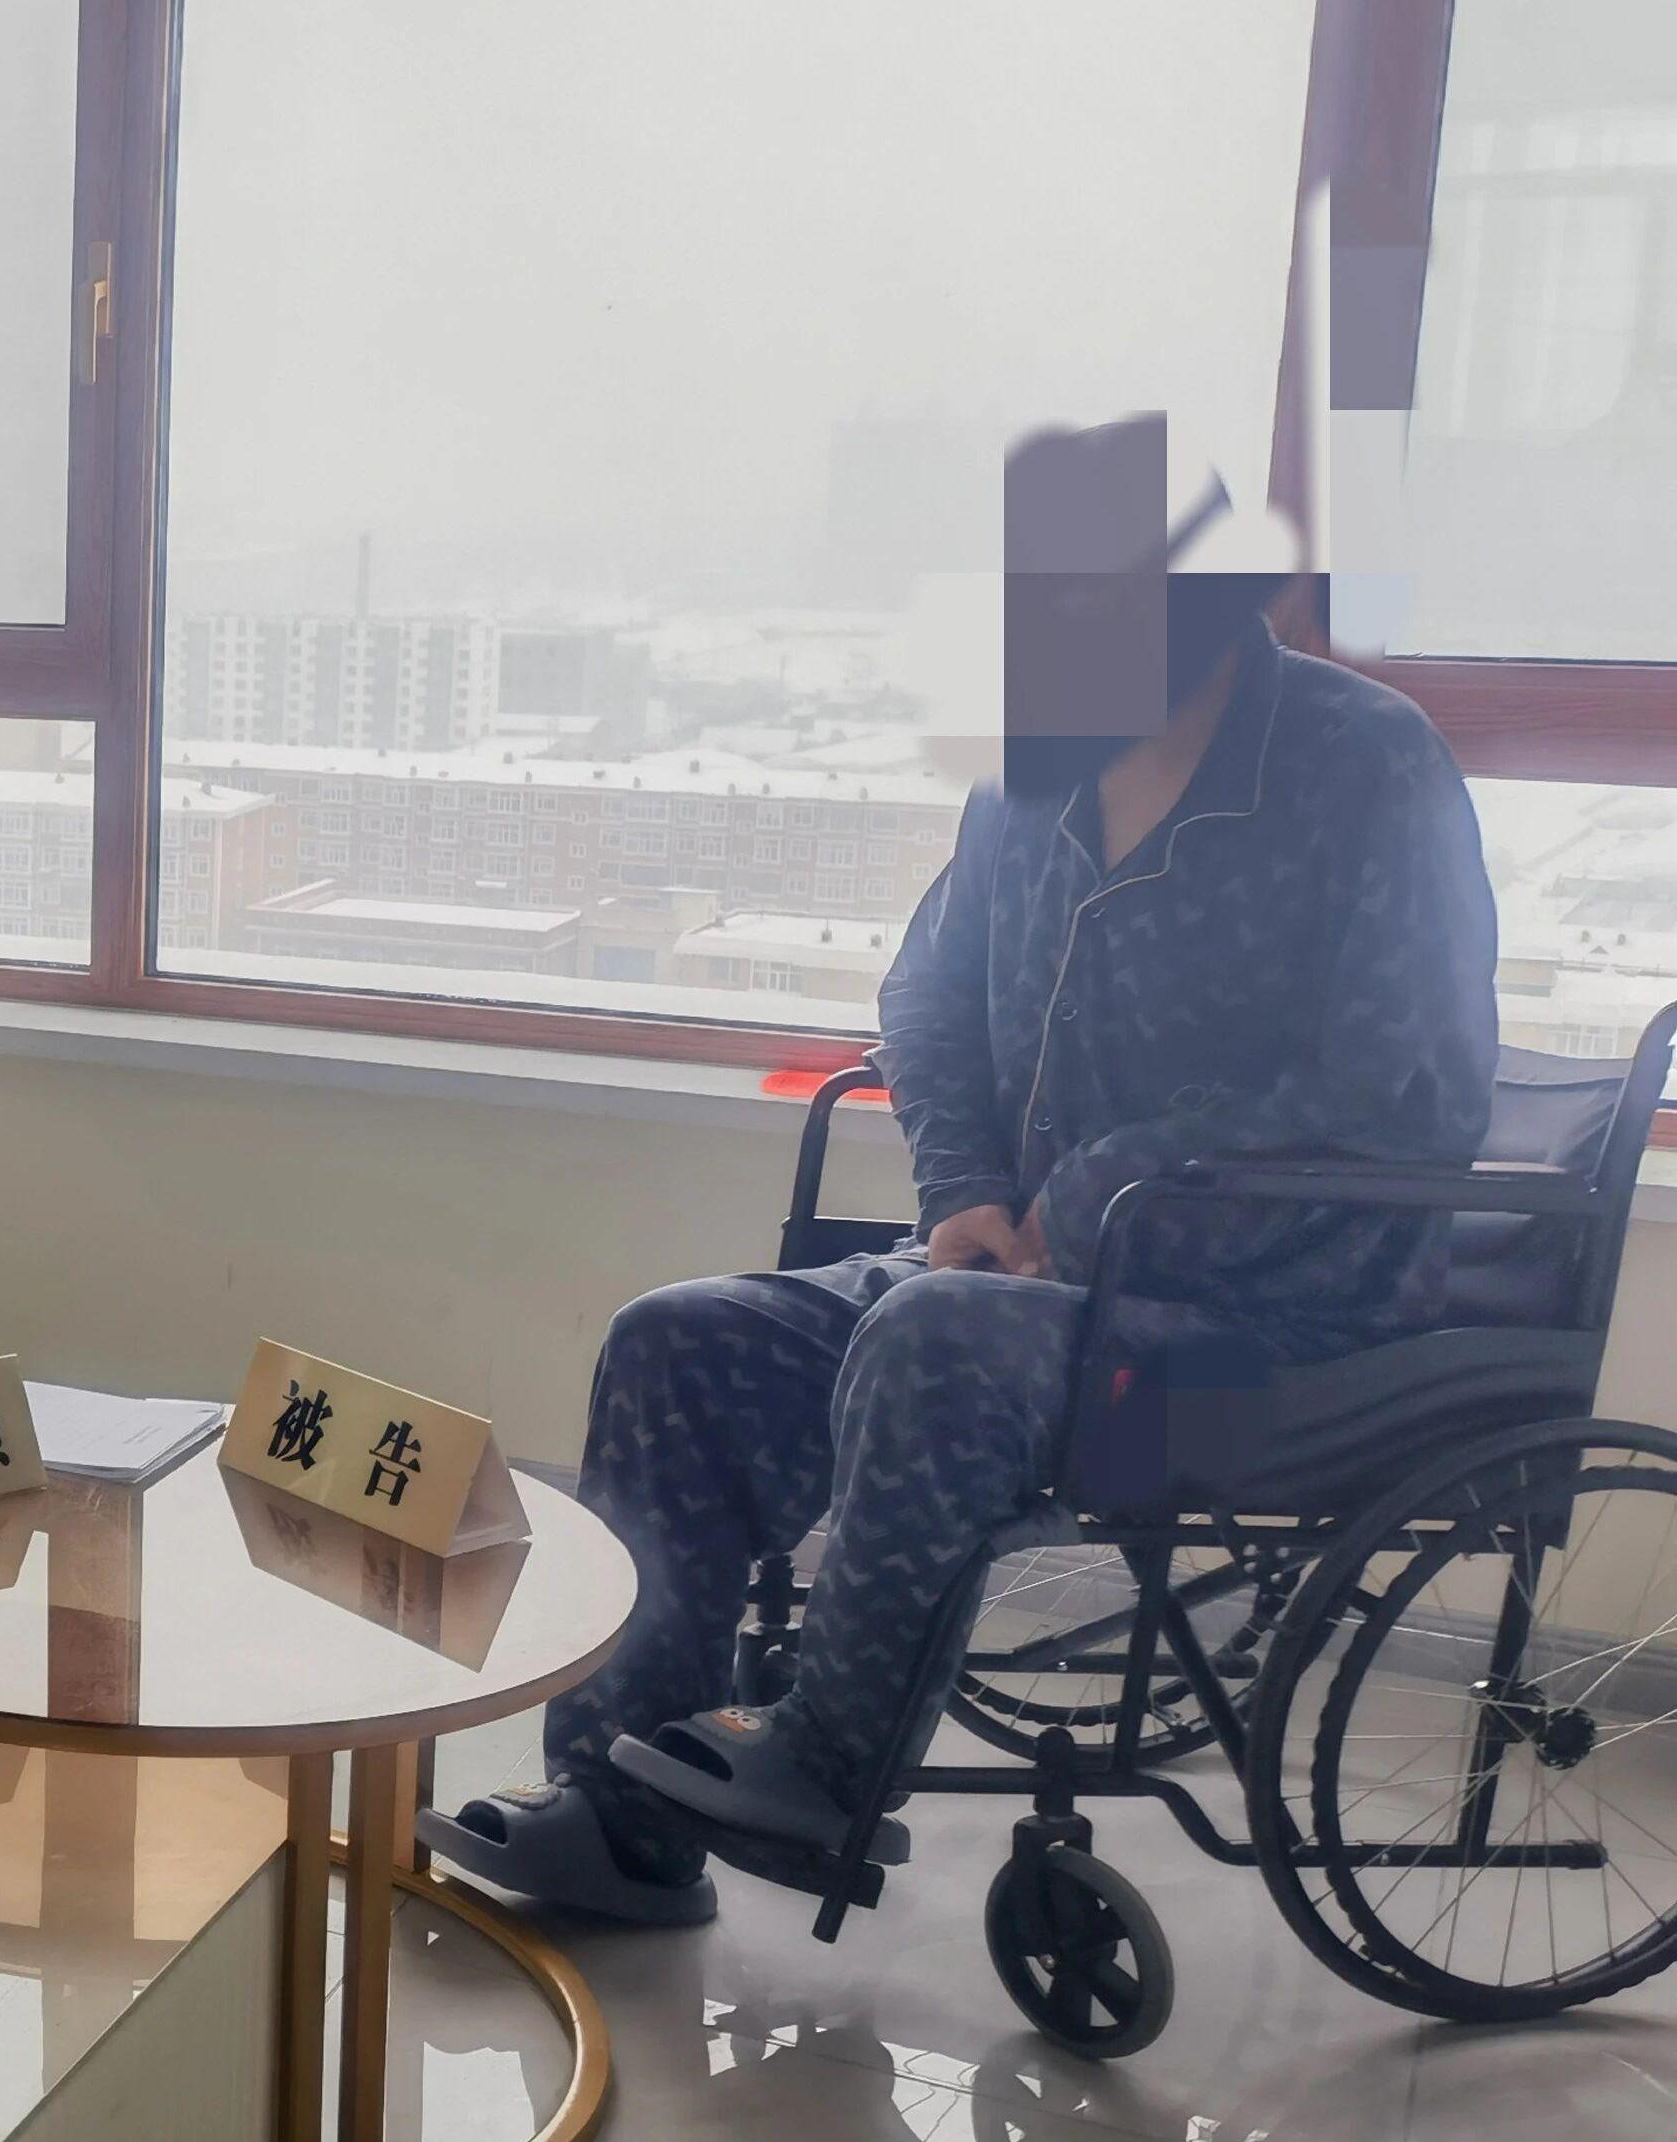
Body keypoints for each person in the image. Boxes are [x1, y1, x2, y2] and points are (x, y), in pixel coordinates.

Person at [423, 422, 1501, 1923]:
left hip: (1276, 1317)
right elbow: (927, 998)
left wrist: (1096, 1189)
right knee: (680, 1340)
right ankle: (619, 1819)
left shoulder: (1364, 764)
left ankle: (826, 1765)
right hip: (1022, 1279)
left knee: (939, 1338)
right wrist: (965, 1195)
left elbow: (1409, 1086)